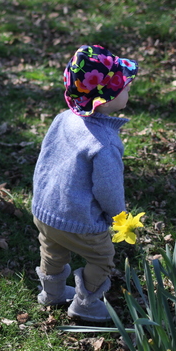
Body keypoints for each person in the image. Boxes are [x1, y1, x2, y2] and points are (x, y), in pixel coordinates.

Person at [31, 44, 139, 322]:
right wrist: (119, 217)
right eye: (126, 87)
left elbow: (46, 158)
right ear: (105, 98)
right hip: (79, 219)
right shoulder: (104, 143)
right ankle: (86, 304)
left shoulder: (63, 118)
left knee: (52, 249)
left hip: (45, 210)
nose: (129, 91)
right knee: (102, 259)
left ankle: (52, 293)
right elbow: (108, 189)